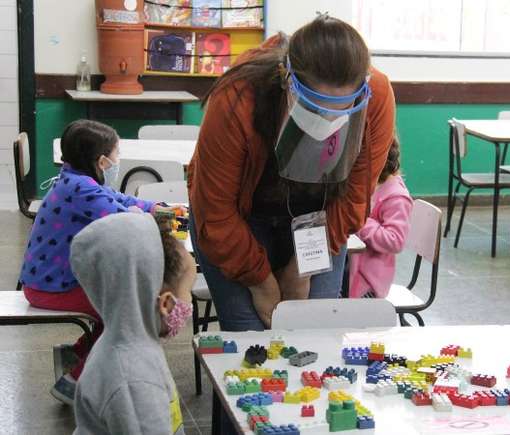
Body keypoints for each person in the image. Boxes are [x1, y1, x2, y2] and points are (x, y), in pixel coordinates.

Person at [188, 14, 395, 331]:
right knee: (253, 339)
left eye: (341, 111)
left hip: (319, 218)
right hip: (240, 221)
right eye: (314, 108)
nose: (327, 123)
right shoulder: (238, 95)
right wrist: (261, 282)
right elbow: (216, 212)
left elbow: (354, 199)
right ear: (288, 81)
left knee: (316, 332)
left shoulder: (376, 94)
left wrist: (302, 270)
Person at [18, 119, 178, 404]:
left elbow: (115, 198)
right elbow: (123, 218)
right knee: (128, 311)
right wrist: (155, 218)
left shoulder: (74, 179)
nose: (118, 161)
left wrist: (153, 206)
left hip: (47, 281)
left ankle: (80, 353)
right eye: (117, 155)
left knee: (119, 307)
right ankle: (74, 380)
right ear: (102, 161)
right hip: (52, 288)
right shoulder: (81, 190)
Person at [71, 213, 195, 435]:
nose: (188, 302)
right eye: (186, 291)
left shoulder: (128, 347)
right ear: (165, 303)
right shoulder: (134, 380)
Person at [348, 135, 412, 298]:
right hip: (352, 274)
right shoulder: (367, 184)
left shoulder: (396, 196)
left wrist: (360, 220)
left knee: (327, 305)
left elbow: (395, 241)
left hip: (367, 286)